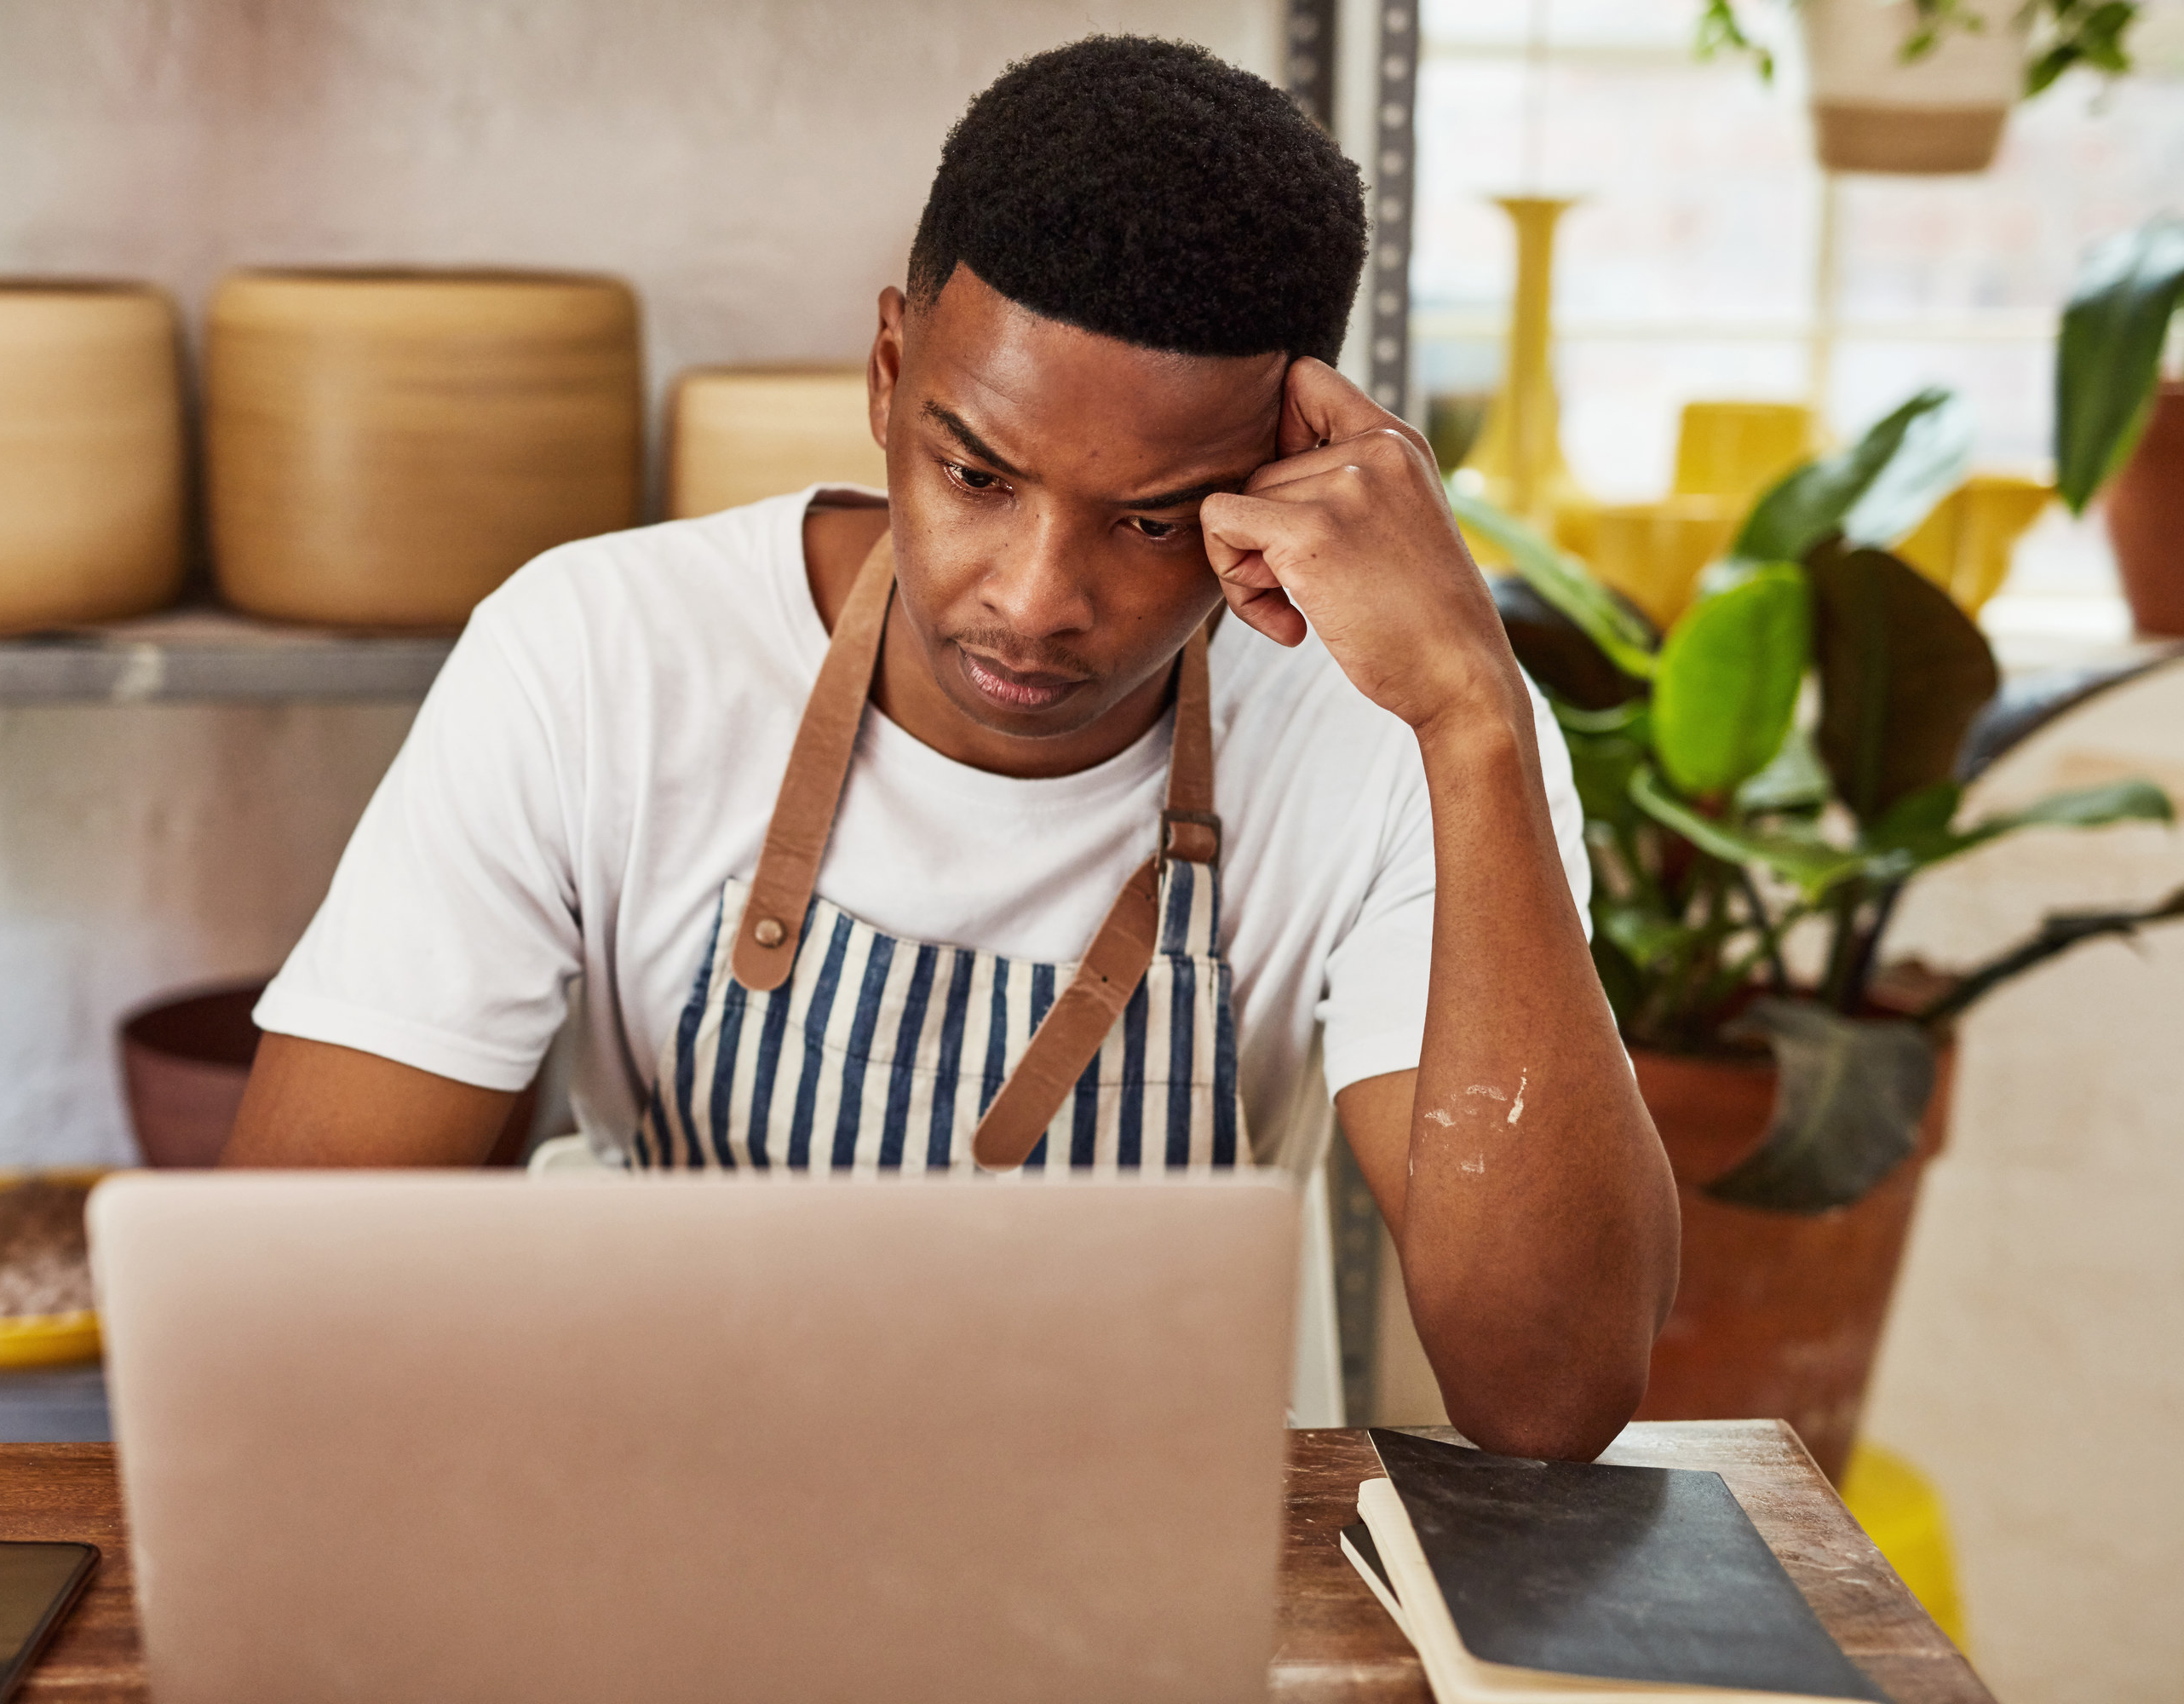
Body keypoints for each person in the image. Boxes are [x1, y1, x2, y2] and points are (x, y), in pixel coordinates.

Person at [224, 35, 1677, 1461]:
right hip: (646, 1499)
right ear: (885, 372)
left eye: (1156, 519)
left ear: (1286, 477)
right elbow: (286, 1309)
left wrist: (1475, 718)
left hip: (1153, 1539)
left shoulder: (1394, 740)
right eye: (975, 473)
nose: (1035, 600)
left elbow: (1546, 1395)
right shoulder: (595, 655)